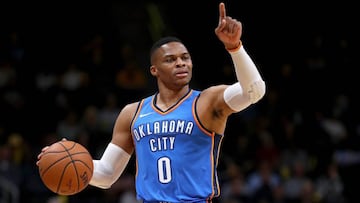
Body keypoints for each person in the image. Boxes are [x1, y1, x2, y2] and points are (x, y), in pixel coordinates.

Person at [37, 2, 266, 202]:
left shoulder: (207, 101)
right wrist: (67, 158)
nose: (181, 63)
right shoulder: (132, 113)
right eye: (171, 59)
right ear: (154, 70)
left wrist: (235, 47)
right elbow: (106, 174)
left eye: (185, 58)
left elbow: (254, 91)